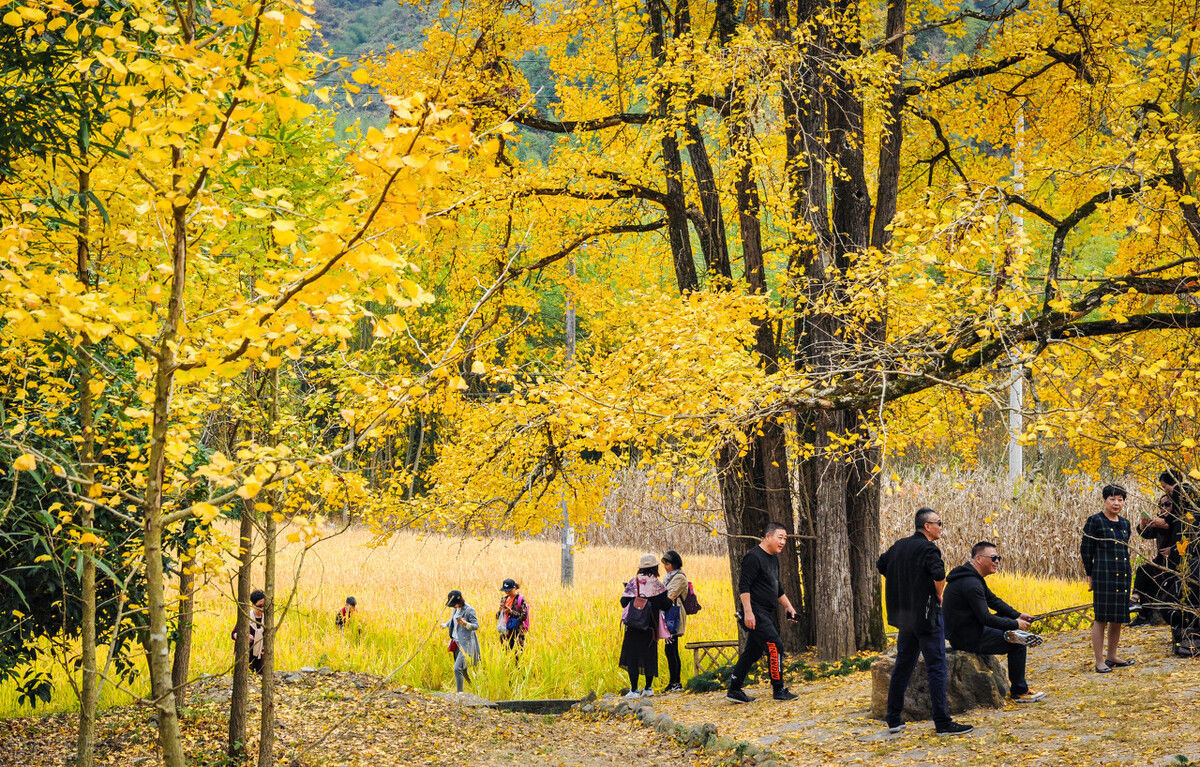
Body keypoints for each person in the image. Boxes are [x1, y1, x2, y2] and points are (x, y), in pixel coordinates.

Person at [877, 508, 973, 736]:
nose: (941, 527)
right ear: (927, 526)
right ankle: (942, 722)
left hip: (905, 619)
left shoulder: (899, 545)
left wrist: (904, 584)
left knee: (903, 665)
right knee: (937, 666)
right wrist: (938, 594)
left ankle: (893, 719)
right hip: (927, 617)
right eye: (939, 523)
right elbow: (940, 575)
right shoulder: (928, 547)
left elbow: (882, 564)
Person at [943, 542, 1046, 703]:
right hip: (966, 637)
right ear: (978, 558)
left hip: (969, 628)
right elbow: (985, 618)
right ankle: (1019, 692)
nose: (997, 561)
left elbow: (993, 601)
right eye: (993, 558)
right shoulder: (971, 583)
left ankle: (1012, 632)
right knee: (1017, 643)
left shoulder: (971, 577)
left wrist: (1018, 615)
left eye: (999, 558)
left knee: (1009, 624)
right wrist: (1015, 624)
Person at [726, 522, 799, 704]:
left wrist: (788, 607)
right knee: (776, 644)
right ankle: (778, 689)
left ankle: (734, 689)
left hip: (766, 612)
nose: (783, 542)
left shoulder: (773, 558)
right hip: (755, 611)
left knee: (753, 651)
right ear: (768, 536)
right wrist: (748, 613)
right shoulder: (753, 557)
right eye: (779, 537)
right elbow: (744, 587)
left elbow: (777, 587)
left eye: (785, 539)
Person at [1081, 484, 1134, 673]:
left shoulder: (1125, 523)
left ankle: (1112, 656)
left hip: (1123, 574)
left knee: (1117, 618)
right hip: (1103, 573)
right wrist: (1090, 574)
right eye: (1112, 499)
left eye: (1120, 499)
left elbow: (1125, 549)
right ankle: (1099, 661)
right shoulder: (1095, 521)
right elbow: (1086, 550)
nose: (1116, 503)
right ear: (1105, 500)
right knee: (1101, 618)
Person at [619, 553, 673, 698]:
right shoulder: (658, 585)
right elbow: (666, 605)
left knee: (632, 657)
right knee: (649, 656)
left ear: (641, 568)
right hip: (651, 627)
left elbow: (623, 602)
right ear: (655, 568)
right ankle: (648, 688)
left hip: (633, 627)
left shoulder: (633, 582)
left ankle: (634, 689)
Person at [1131, 490, 1180, 627]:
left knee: (1148, 574)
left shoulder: (1179, 521)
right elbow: (1146, 534)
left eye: (1167, 504)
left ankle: (1142, 613)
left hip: (1176, 564)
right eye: (1161, 505)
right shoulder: (1160, 522)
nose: (1164, 508)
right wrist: (1143, 524)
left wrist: (1173, 549)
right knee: (1145, 572)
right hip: (1160, 562)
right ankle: (1140, 610)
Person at [661, 549, 688, 692]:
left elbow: (669, 595)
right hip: (668, 615)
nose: (665, 567)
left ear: (674, 563)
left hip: (674, 615)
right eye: (664, 564)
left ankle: (676, 682)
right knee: (670, 649)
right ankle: (673, 682)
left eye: (668, 564)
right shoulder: (669, 577)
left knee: (672, 649)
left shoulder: (679, 578)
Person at [443, 590, 480, 692]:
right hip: (456, 642)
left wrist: (466, 624)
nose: (453, 607)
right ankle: (475, 688)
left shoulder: (469, 610)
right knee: (463, 669)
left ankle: (459, 694)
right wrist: (446, 625)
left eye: (454, 604)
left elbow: (476, 626)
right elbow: (453, 620)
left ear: (459, 601)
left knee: (457, 668)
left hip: (466, 643)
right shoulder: (456, 609)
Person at [230, 589, 266, 674]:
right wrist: (244, 636)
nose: (262, 609)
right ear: (253, 605)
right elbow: (233, 634)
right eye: (260, 606)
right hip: (246, 654)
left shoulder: (267, 618)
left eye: (264, 605)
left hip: (261, 655)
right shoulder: (246, 617)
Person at [496, 578, 529, 655]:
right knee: (506, 654)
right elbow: (497, 617)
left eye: (509, 590)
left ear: (514, 588)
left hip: (517, 631)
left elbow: (524, 616)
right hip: (505, 631)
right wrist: (501, 612)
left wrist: (511, 612)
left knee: (518, 654)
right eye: (505, 591)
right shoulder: (504, 599)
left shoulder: (520, 599)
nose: (507, 592)